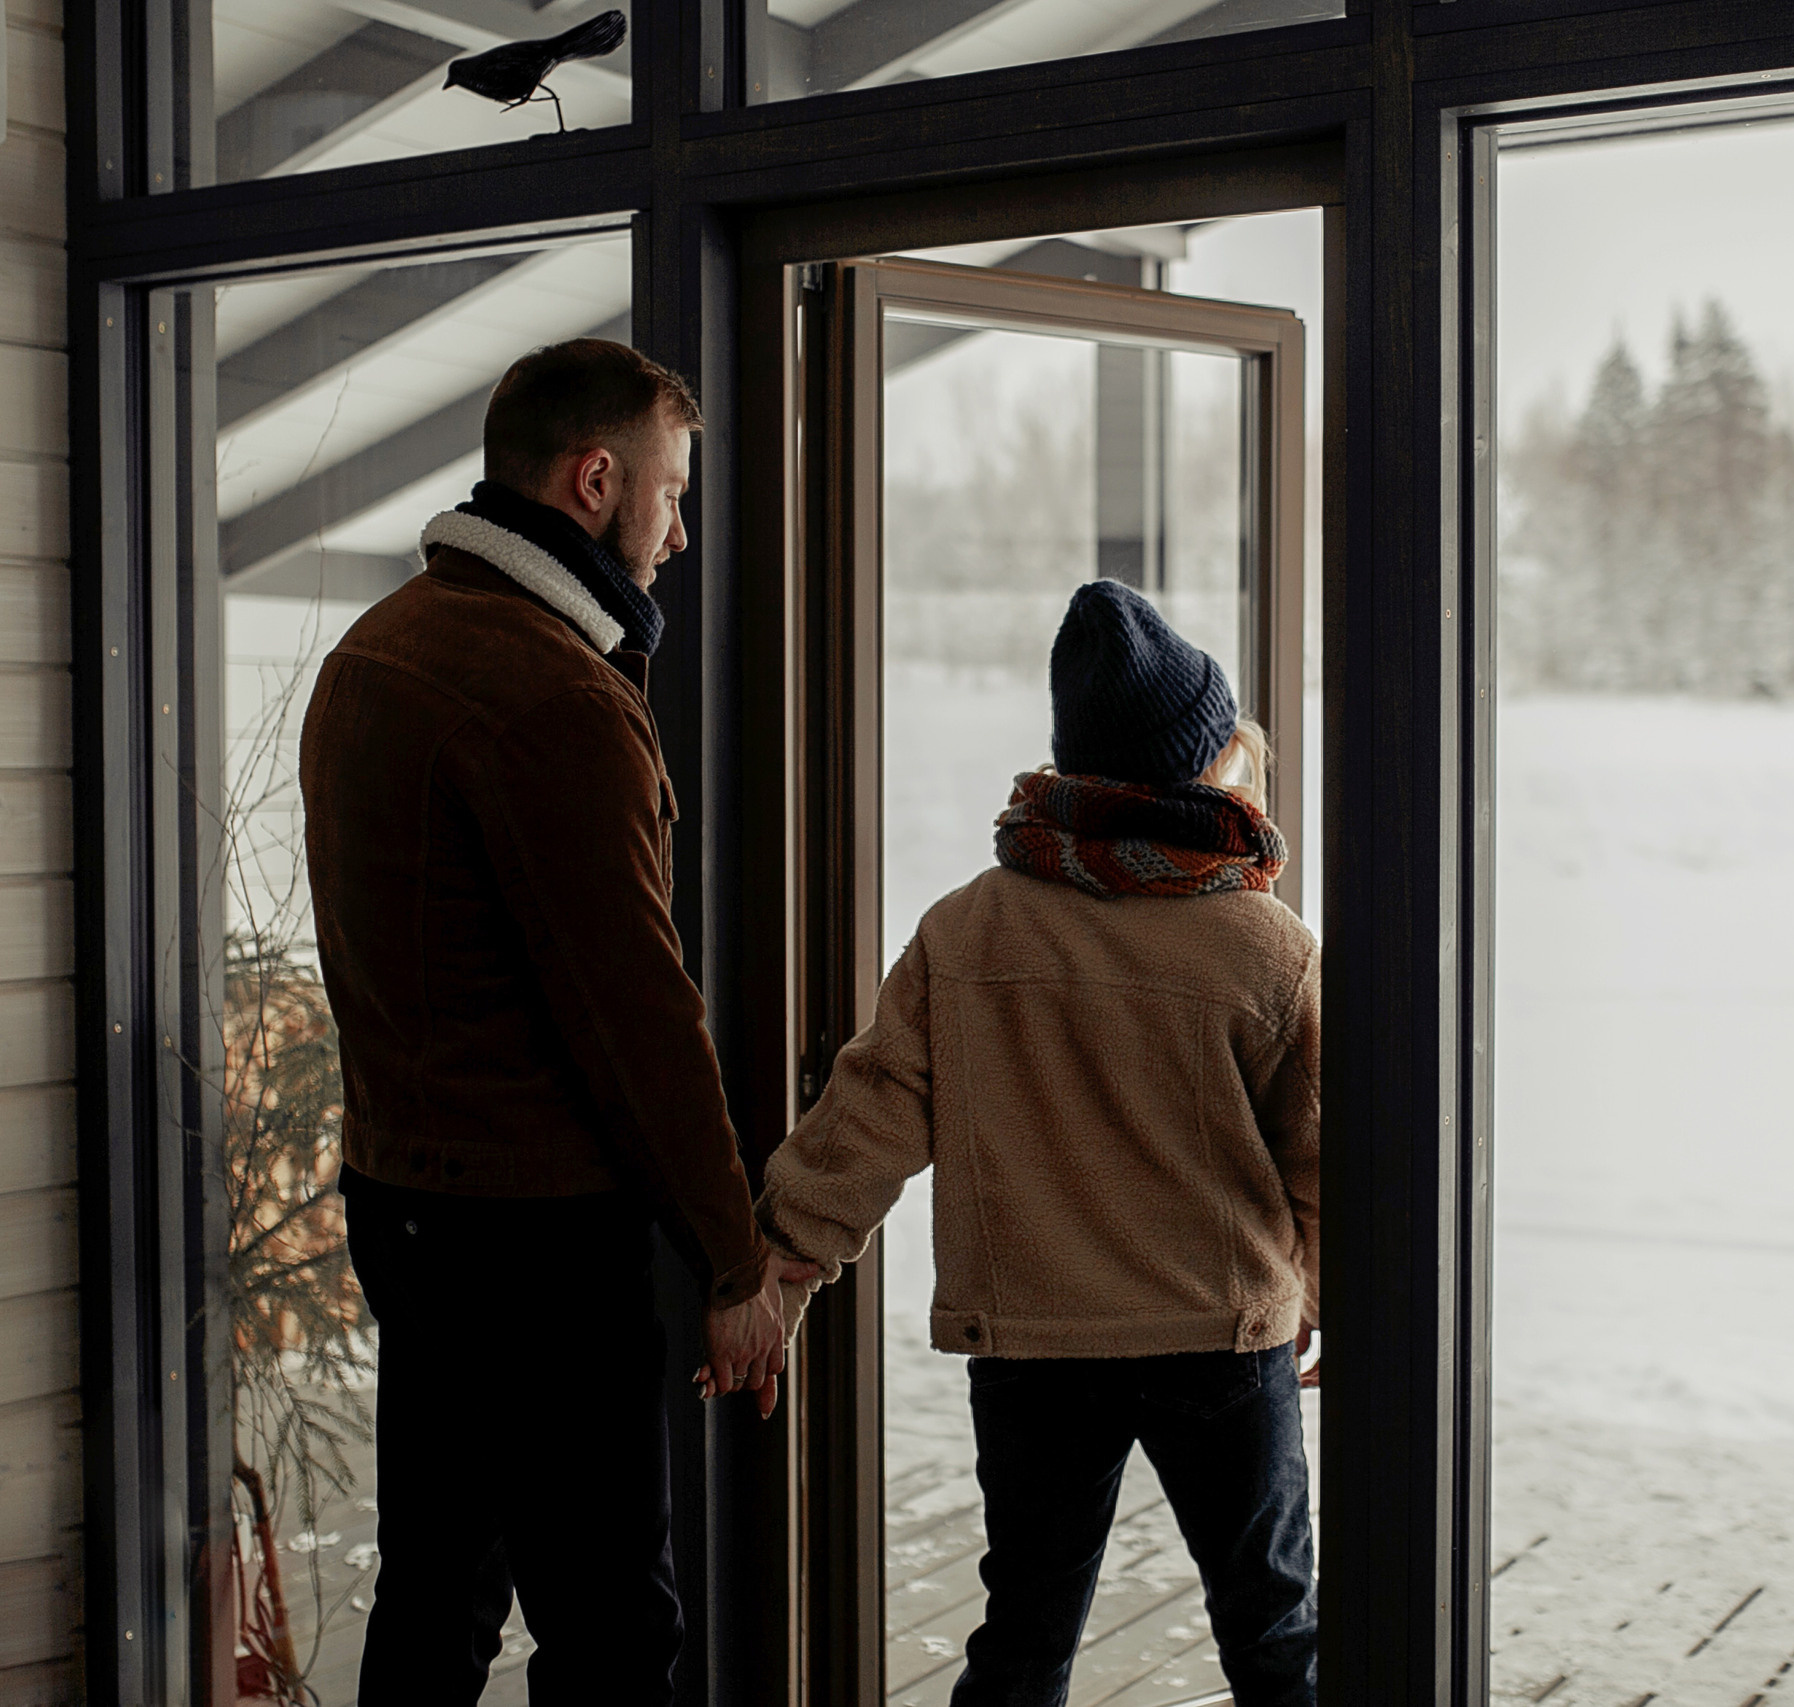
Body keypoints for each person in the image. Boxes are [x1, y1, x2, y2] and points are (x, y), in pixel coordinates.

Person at [301, 338, 804, 1705]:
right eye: (670, 493)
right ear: (594, 481)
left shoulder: (374, 650)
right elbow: (636, 1015)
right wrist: (735, 1262)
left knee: (436, 1592)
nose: (679, 532)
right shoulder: (558, 696)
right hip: (534, 1241)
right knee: (611, 1632)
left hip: (402, 1200)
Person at [756, 578, 1321, 1707]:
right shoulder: (1265, 946)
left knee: (1024, 1633)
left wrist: (782, 1257)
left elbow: (872, 1108)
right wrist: (1314, 1285)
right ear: (1206, 760)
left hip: (1034, 1342)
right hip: (1218, 1333)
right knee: (1274, 1634)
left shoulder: (968, 926)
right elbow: (1318, 1151)